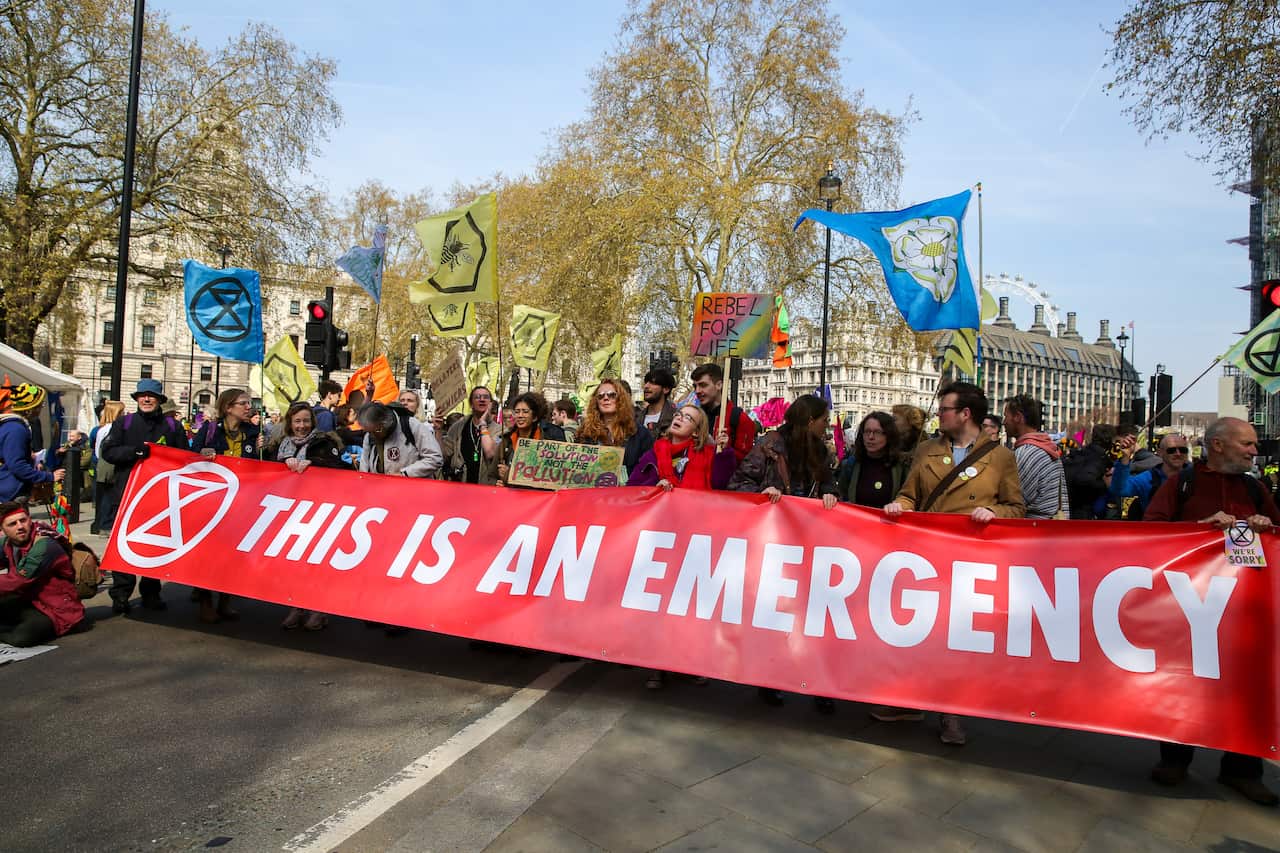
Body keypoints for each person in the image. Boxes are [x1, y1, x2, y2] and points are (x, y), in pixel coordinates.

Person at [1144, 417, 1279, 807]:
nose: (1255, 451)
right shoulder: (1182, 484)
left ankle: (1243, 769)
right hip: (1192, 606)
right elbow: (1151, 529)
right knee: (1183, 681)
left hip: (1245, 607)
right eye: (1248, 444)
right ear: (1218, 445)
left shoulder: (1255, 488)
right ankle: (1174, 759)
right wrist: (1200, 529)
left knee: (1246, 686)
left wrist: (1266, 526)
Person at [880, 381, 1025, 745]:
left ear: (965, 414)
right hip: (928, 555)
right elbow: (909, 493)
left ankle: (952, 712)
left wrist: (993, 511)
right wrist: (901, 506)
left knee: (957, 636)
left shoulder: (1001, 456)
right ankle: (912, 699)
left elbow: (1017, 507)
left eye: (945, 408)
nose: (938, 413)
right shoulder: (927, 450)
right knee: (923, 630)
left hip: (971, 559)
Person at [728, 394, 838, 706]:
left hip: (809, 540)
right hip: (775, 541)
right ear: (809, 421)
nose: (827, 426)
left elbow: (831, 484)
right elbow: (739, 483)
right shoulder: (770, 444)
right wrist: (765, 492)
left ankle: (819, 686)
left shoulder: (820, 451)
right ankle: (770, 677)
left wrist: (830, 494)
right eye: (823, 421)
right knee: (776, 611)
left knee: (813, 614)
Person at [629, 402, 735, 690]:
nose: (679, 419)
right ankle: (657, 665)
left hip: (696, 538)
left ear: (697, 430)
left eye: (688, 418)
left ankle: (690, 662)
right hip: (662, 538)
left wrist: (725, 454)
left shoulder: (708, 455)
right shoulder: (655, 452)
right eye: (679, 414)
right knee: (660, 604)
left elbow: (721, 484)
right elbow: (634, 487)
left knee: (690, 605)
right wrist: (656, 485)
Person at [99, 379, 190, 614]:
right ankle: (120, 596)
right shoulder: (124, 423)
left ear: (159, 400)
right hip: (126, 494)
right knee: (122, 546)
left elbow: (185, 458)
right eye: (142, 395)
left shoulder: (172, 427)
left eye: (151, 396)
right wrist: (133, 453)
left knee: (154, 547)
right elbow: (107, 452)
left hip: (160, 498)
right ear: (137, 399)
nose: (146, 399)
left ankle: (151, 593)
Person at [270, 402, 350, 631]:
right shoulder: (280, 445)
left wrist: (313, 465)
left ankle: (319, 609)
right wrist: (281, 462)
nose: (301, 426)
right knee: (293, 563)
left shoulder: (324, 442)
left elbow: (337, 468)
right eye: (297, 421)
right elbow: (265, 470)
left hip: (319, 510)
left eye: (306, 421)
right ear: (290, 423)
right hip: (290, 511)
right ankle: (295, 606)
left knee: (316, 563)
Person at [188, 388, 262, 623]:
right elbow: (189, 459)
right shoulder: (209, 431)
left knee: (233, 554)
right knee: (208, 554)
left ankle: (226, 600)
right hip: (213, 501)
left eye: (249, 403)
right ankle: (205, 600)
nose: (249, 407)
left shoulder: (253, 432)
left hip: (242, 502)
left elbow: (262, 468)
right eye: (243, 403)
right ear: (228, 407)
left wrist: (264, 449)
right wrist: (203, 455)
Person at [0, 502, 84, 646]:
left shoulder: (44, 544)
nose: (20, 527)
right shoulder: (8, 542)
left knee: (21, 638)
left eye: (23, 520)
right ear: (2, 530)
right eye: (12, 524)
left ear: (30, 519)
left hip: (57, 610)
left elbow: (17, 580)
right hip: (29, 600)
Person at [1002, 394, 1069, 520]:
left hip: (1032, 531)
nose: (1004, 422)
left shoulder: (1026, 453)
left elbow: (1015, 501)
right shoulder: (1048, 447)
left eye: (1006, 416)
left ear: (1018, 417)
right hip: (1049, 529)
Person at [0, 383, 63, 503]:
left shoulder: (11, 426)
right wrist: (49, 476)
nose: (41, 408)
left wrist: (30, 458)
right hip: (10, 493)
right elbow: (17, 465)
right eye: (40, 405)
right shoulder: (16, 429)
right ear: (30, 408)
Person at [576, 378, 654, 477]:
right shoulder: (584, 433)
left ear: (621, 399)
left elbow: (649, 470)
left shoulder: (640, 434)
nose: (605, 398)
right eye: (600, 396)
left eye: (611, 395)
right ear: (596, 402)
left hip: (628, 490)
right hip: (594, 491)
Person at [1110, 431, 1191, 519]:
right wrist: (1125, 458)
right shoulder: (1148, 478)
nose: (1178, 454)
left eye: (1183, 450)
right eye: (1171, 450)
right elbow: (1120, 490)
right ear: (1160, 452)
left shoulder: (1195, 476)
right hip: (1156, 529)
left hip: (1188, 530)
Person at [496, 392, 565, 485]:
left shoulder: (548, 439)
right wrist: (497, 483)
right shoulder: (506, 441)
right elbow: (491, 475)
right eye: (517, 412)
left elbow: (555, 476)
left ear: (535, 417)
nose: (520, 415)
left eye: (525, 411)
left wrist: (509, 474)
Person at [358, 402, 443, 478]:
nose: (372, 435)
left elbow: (435, 458)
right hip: (381, 490)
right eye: (369, 432)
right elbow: (364, 469)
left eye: (376, 431)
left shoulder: (411, 425)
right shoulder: (370, 435)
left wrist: (405, 474)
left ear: (386, 423)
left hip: (414, 489)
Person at [691, 363, 755, 462]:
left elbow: (746, 461)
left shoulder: (739, 418)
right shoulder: (694, 416)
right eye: (695, 386)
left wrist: (725, 450)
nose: (697, 391)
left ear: (719, 385)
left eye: (703, 385)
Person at [441, 386, 500, 484]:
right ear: (471, 403)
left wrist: (483, 424)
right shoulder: (458, 427)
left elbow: (490, 453)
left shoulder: (499, 430)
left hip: (485, 488)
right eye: (477, 397)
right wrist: (438, 430)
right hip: (460, 486)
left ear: (490, 404)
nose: (482, 399)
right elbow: (443, 455)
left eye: (486, 397)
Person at [1063, 423, 1116, 519]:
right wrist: (1104, 484)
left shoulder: (1082, 453)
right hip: (1083, 510)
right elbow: (1085, 479)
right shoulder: (1098, 458)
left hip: (1070, 506)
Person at [89, 400, 126, 534]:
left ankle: (102, 523)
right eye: (122, 412)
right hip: (110, 464)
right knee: (110, 496)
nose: (125, 414)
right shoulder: (110, 429)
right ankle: (106, 524)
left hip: (103, 464)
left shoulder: (101, 429)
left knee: (105, 496)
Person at [635, 367, 677, 439]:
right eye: (646, 382)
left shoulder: (675, 418)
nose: (646, 386)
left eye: (653, 383)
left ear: (666, 389)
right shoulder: (636, 418)